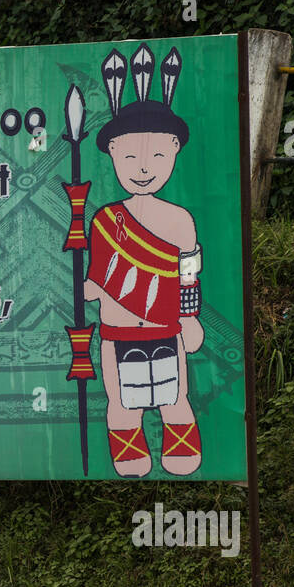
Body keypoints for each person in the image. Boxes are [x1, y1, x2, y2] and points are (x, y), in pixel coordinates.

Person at [83, 44, 204, 477]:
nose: (143, 167)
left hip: (166, 329)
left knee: (174, 397)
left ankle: (181, 449)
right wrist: (90, 290)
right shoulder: (105, 219)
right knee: (121, 401)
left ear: (173, 151)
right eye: (130, 156)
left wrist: (189, 319)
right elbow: (100, 277)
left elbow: (187, 274)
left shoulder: (179, 221)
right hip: (116, 332)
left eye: (156, 155)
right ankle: (131, 455)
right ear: (113, 154)